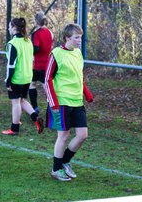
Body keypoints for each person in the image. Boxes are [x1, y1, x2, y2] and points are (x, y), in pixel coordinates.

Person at [44, 23, 93, 181]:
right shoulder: (56, 54)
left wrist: (87, 93)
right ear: (67, 38)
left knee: (82, 135)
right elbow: (47, 79)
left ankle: (64, 161)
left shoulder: (78, 53)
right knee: (64, 136)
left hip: (77, 101)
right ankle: (56, 169)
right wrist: (54, 103)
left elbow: (79, 76)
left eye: (81, 37)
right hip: (62, 101)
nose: (80, 40)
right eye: (76, 38)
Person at [2, 17, 44, 136]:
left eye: (9, 26)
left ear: (14, 28)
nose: (8, 28)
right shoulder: (28, 41)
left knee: (15, 102)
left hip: (17, 78)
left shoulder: (13, 44)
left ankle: (14, 128)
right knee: (22, 100)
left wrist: (8, 80)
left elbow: (11, 64)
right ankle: (36, 119)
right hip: (27, 77)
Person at [29, 11, 54, 114]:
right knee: (46, 88)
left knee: (32, 85)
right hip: (47, 64)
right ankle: (52, 109)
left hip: (37, 65)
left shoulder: (36, 34)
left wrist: (29, 50)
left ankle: (35, 108)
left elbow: (36, 48)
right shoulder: (50, 32)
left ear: (36, 21)